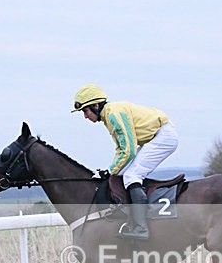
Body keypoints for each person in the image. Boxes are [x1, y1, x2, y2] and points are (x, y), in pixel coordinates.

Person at [71, 84, 178, 240]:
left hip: (163, 137)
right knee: (122, 172)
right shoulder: (109, 115)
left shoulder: (113, 114)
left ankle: (142, 229)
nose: (85, 116)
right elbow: (121, 150)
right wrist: (112, 169)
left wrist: (110, 170)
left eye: (85, 111)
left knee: (131, 176)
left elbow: (128, 150)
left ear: (95, 105)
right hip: (154, 137)